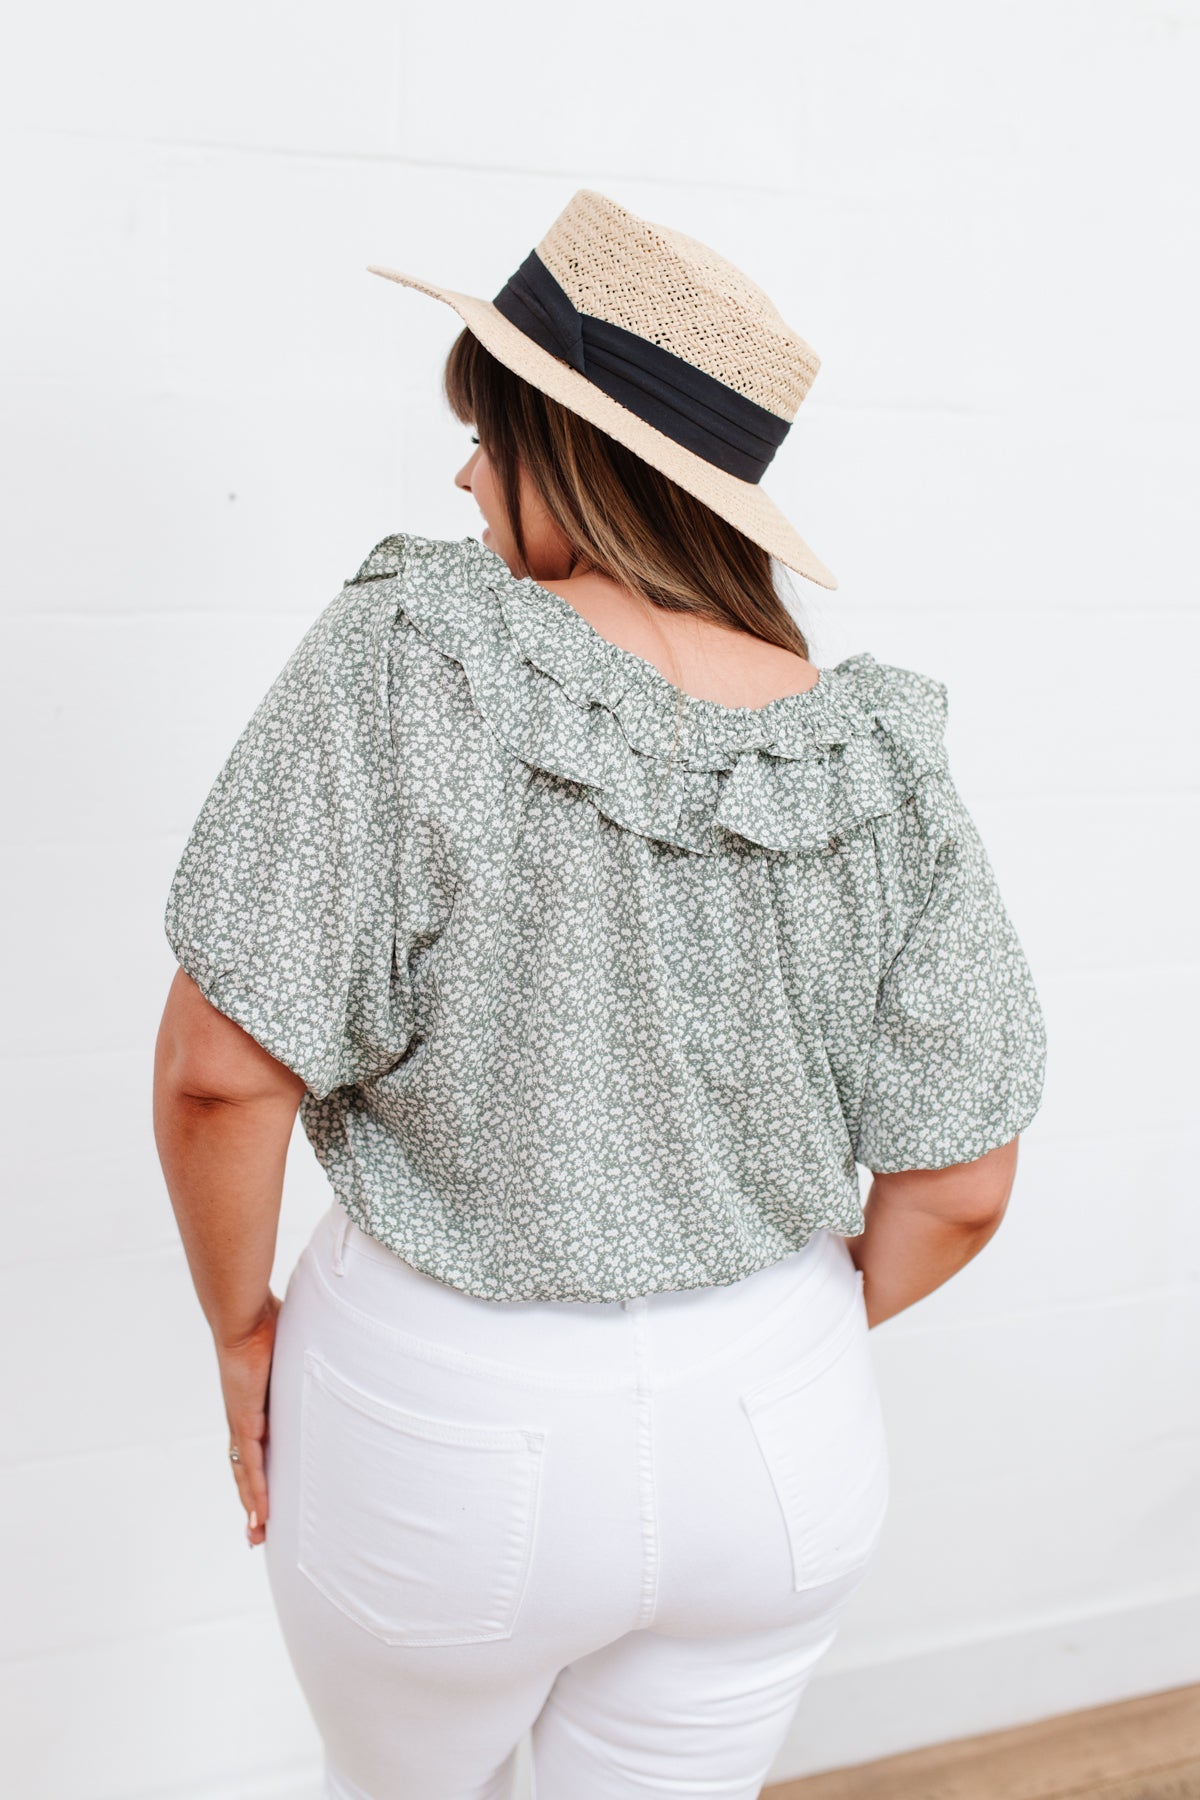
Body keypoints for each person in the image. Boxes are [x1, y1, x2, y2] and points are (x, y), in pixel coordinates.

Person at [153, 188, 1048, 1800]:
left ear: (566, 453)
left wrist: (237, 1331)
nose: (463, 477)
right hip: (779, 1442)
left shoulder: (413, 651)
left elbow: (224, 1073)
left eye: (486, 437)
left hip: (444, 1428)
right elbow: (963, 1186)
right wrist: (761, 1344)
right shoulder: (878, 756)